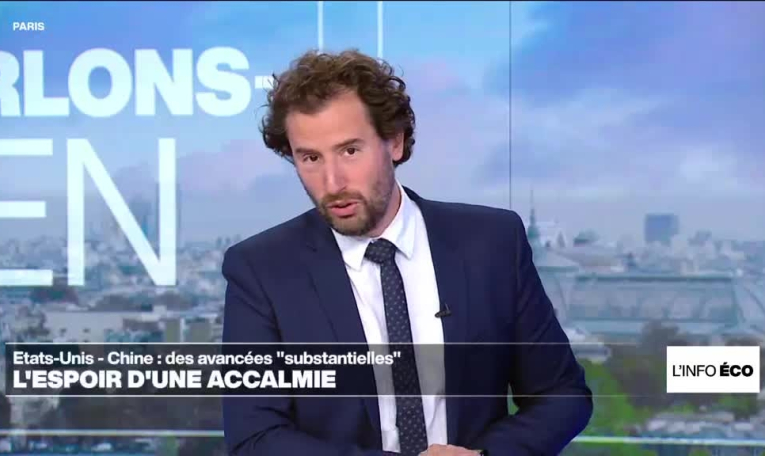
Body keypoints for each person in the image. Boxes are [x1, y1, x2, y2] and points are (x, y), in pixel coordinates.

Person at [221, 49, 593, 456]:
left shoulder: (492, 242)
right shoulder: (260, 269)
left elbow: (562, 395)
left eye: (350, 151)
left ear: (394, 141)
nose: (332, 182)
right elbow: (254, 438)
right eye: (310, 158)